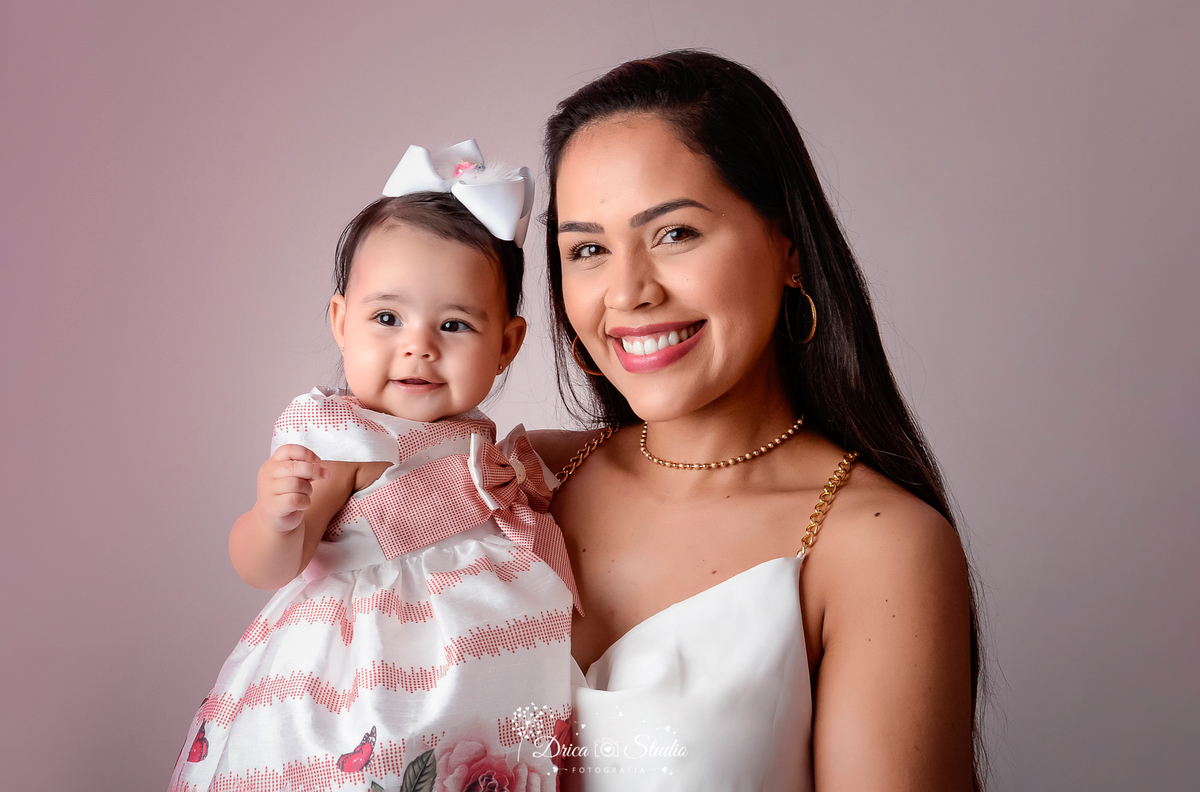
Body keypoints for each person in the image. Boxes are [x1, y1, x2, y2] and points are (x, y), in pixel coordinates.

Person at [530, 51, 982, 790]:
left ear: (788, 245)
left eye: (674, 233)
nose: (627, 292)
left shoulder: (877, 547)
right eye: (587, 249)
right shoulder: (517, 482)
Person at [169, 140, 575, 792]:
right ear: (341, 321)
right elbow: (266, 567)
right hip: (359, 678)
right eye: (387, 317)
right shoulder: (347, 441)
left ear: (506, 344)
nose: (417, 346)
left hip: (483, 665)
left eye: (454, 326)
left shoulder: (485, 445)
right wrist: (274, 518)